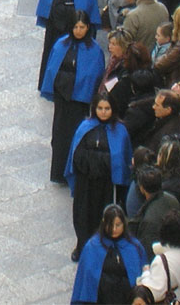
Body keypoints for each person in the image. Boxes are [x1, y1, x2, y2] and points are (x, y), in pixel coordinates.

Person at [41, 10, 106, 186]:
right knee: (59, 136)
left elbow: (95, 75)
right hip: (63, 99)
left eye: (82, 27)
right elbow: (52, 67)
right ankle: (58, 173)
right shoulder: (61, 44)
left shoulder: (94, 50)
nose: (78, 31)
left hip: (79, 102)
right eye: (76, 27)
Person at [65, 94, 134, 259]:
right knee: (83, 216)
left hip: (106, 184)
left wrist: (95, 159)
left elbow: (120, 160)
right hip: (86, 183)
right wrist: (101, 160)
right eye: (100, 108)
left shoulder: (120, 131)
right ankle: (82, 246)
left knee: (105, 216)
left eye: (107, 108)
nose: (103, 112)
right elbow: (77, 155)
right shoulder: (85, 127)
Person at [71, 203, 147, 305]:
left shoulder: (134, 247)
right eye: (110, 225)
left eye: (118, 225)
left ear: (124, 224)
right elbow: (85, 281)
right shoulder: (92, 247)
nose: (114, 229)